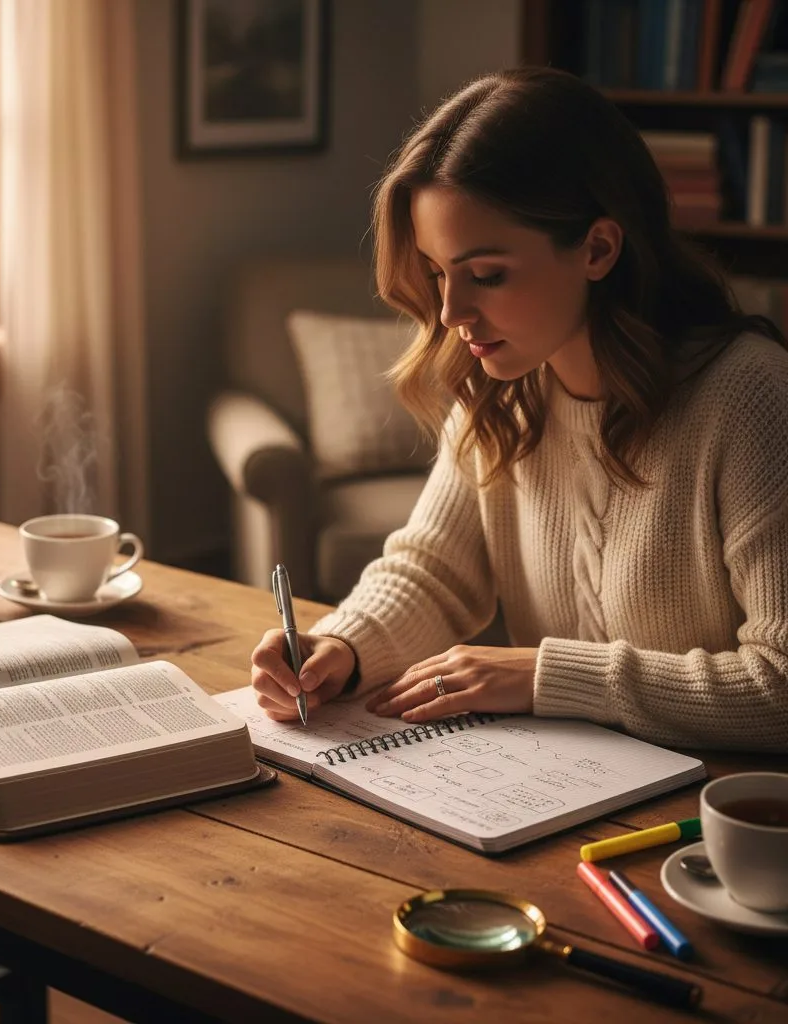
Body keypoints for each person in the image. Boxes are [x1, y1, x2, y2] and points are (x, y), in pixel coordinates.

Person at [249, 66, 788, 752]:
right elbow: (433, 574)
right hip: (567, 784)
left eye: (488, 275)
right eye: (440, 273)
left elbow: (781, 683)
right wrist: (340, 647)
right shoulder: (504, 386)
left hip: (721, 815)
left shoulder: (751, 397)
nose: (451, 313)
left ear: (598, 248)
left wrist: (547, 674)